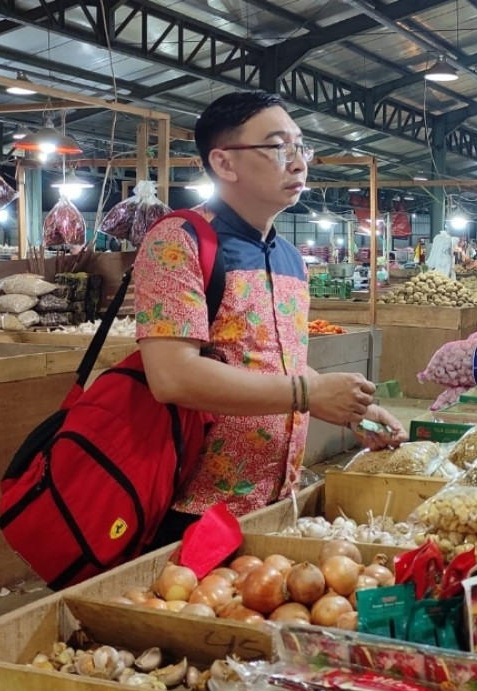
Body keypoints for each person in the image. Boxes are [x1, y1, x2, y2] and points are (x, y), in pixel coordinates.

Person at [133, 91, 407, 546]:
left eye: (301, 147)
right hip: (195, 505)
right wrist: (307, 393)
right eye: (279, 147)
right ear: (224, 164)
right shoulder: (177, 241)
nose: (298, 163)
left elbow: (276, 362)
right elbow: (172, 376)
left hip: (279, 497)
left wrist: (355, 412)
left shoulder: (290, 258)